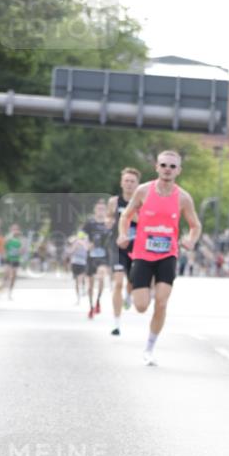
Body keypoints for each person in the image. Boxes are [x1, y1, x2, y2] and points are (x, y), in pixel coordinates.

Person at [117, 149, 201, 365]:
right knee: (141, 306)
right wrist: (123, 234)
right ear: (157, 167)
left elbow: (195, 225)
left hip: (167, 254)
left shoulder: (183, 197)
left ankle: (149, 348)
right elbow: (125, 216)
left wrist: (191, 240)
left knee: (162, 304)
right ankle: (146, 288)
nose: (167, 169)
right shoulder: (143, 191)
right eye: (164, 165)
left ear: (178, 171)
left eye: (172, 166)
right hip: (143, 255)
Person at [106, 167, 141, 335]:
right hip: (118, 246)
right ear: (121, 183)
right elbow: (107, 218)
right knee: (118, 283)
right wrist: (109, 220)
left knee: (132, 282)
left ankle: (129, 296)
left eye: (132, 181)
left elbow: (147, 222)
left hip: (136, 247)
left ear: (137, 184)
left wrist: (135, 217)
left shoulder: (142, 201)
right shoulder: (114, 201)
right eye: (126, 181)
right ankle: (116, 324)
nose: (129, 184)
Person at [83, 199, 111, 319]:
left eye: (103, 209)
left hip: (104, 257)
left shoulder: (109, 223)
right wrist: (86, 245)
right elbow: (81, 236)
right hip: (91, 257)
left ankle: (98, 300)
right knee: (90, 285)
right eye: (99, 209)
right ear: (95, 210)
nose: (101, 211)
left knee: (101, 276)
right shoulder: (90, 223)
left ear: (106, 211)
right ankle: (91, 306)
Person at [3, 224, 24, 298]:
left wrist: (20, 251)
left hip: (15, 259)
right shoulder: (8, 237)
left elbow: (22, 249)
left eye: (16, 229)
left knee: (13, 277)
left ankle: (10, 292)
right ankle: (5, 283)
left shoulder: (20, 239)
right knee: (6, 272)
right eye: (13, 229)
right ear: (11, 230)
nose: (15, 231)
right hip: (8, 259)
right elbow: (4, 245)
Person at [68, 232, 89, 303]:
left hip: (83, 263)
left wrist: (82, 243)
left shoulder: (86, 242)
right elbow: (70, 251)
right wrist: (75, 245)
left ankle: (83, 289)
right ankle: (78, 297)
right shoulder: (75, 243)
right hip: (75, 263)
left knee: (81, 279)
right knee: (77, 281)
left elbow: (87, 250)